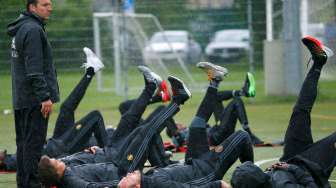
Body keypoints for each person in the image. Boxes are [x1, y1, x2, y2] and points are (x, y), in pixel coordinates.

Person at [37, 75, 192, 187]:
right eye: (56, 162)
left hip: (117, 162)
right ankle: (179, 99)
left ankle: (159, 90)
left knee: (141, 131)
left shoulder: (66, 173)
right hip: (124, 171)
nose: (58, 160)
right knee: (145, 132)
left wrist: (91, 152)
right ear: (56, 173)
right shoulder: (72, 181)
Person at [117, 62, 254, 188]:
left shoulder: (149, 179)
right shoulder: (157, 185)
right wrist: (216, 186)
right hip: (207, 169)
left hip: (193, 160)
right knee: (242, 136)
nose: (126, 175)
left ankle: (215, 80)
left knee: (196, 125)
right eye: (125, 180)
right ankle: (252, 177)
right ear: (136, 187)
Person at [230, 36, 336, 188]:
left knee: (300, 111)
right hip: (311, 166)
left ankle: (318, 62)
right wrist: (292, 169)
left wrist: (279, 168)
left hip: (291, 157)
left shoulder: (268, 180)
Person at [0, 47, 107, 171]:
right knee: (94, 116)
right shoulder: (14, 162)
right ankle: (109, 153)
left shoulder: (11, 157)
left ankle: (91, 70)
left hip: (57, 140)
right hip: (63, 148)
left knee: (66, 108)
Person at [7, 0, 58, 187]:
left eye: (50, 4)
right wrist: (44, 96)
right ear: (32, 7)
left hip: (21, 98)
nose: (50, 8)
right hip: (34, 100)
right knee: (33, 148)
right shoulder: (33, 30)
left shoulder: (21, 28)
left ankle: (23, 183)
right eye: (45, 4)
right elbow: (34, 69)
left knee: (23, 146)